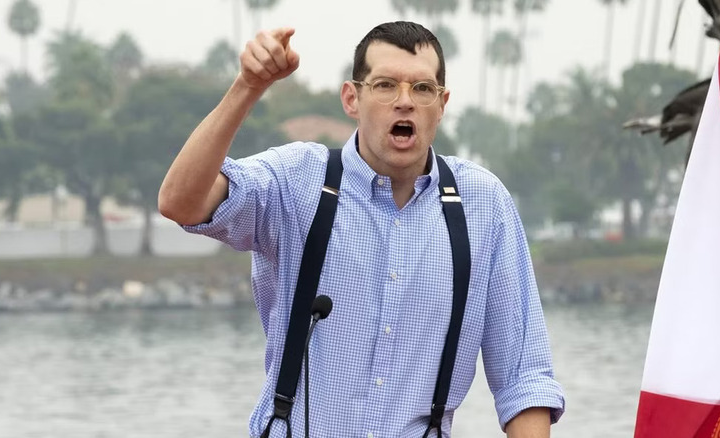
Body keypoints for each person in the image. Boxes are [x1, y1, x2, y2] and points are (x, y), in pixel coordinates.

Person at [159, 21, 564, 438]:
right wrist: (247, 86)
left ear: (441, 105)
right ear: (352, 98)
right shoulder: (297, 180)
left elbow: (523, 377)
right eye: (385, 85)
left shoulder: (484, 204)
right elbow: (181, 203)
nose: (404, 102)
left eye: (422, 89)